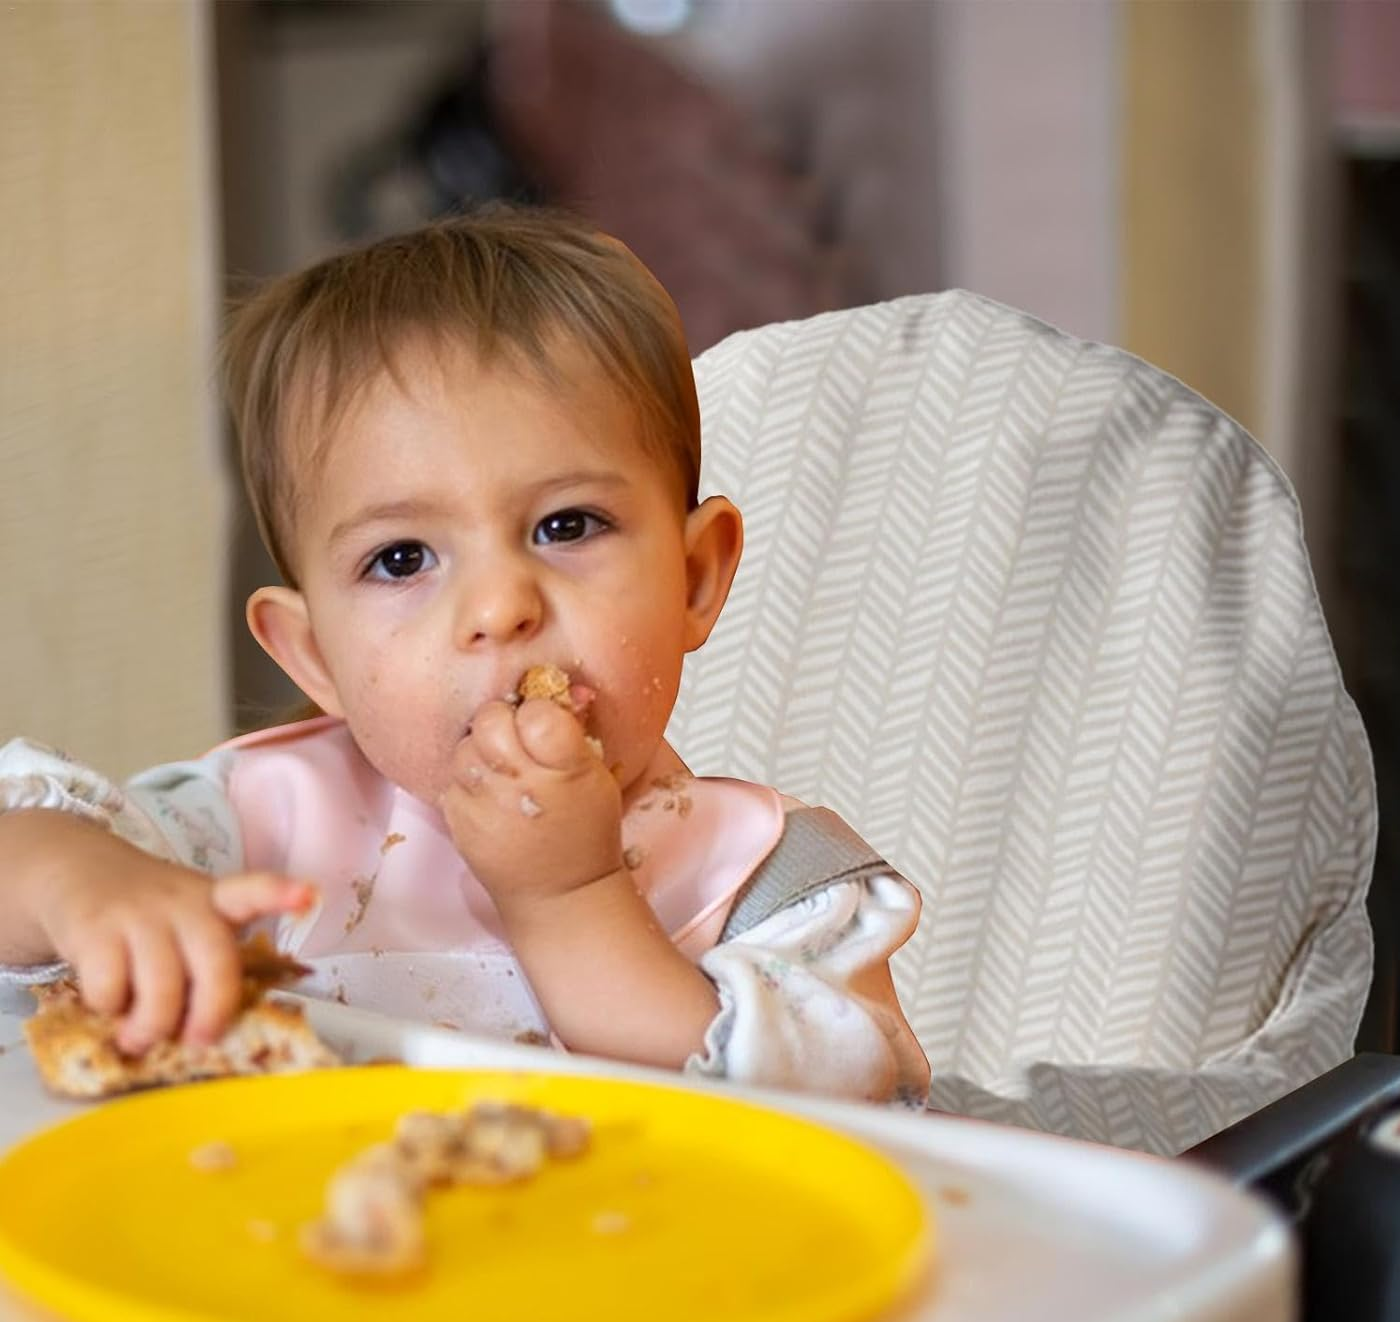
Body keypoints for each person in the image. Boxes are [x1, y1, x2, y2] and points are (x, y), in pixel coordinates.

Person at [0, 207, 929, 1106]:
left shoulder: (767, 881)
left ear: (693, 577)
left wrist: (569, 897)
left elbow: (822, 1127)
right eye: (401, 559)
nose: (498, 608)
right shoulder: (253, 831)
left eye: (567, 525)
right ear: (315, 654)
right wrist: (84, 884)